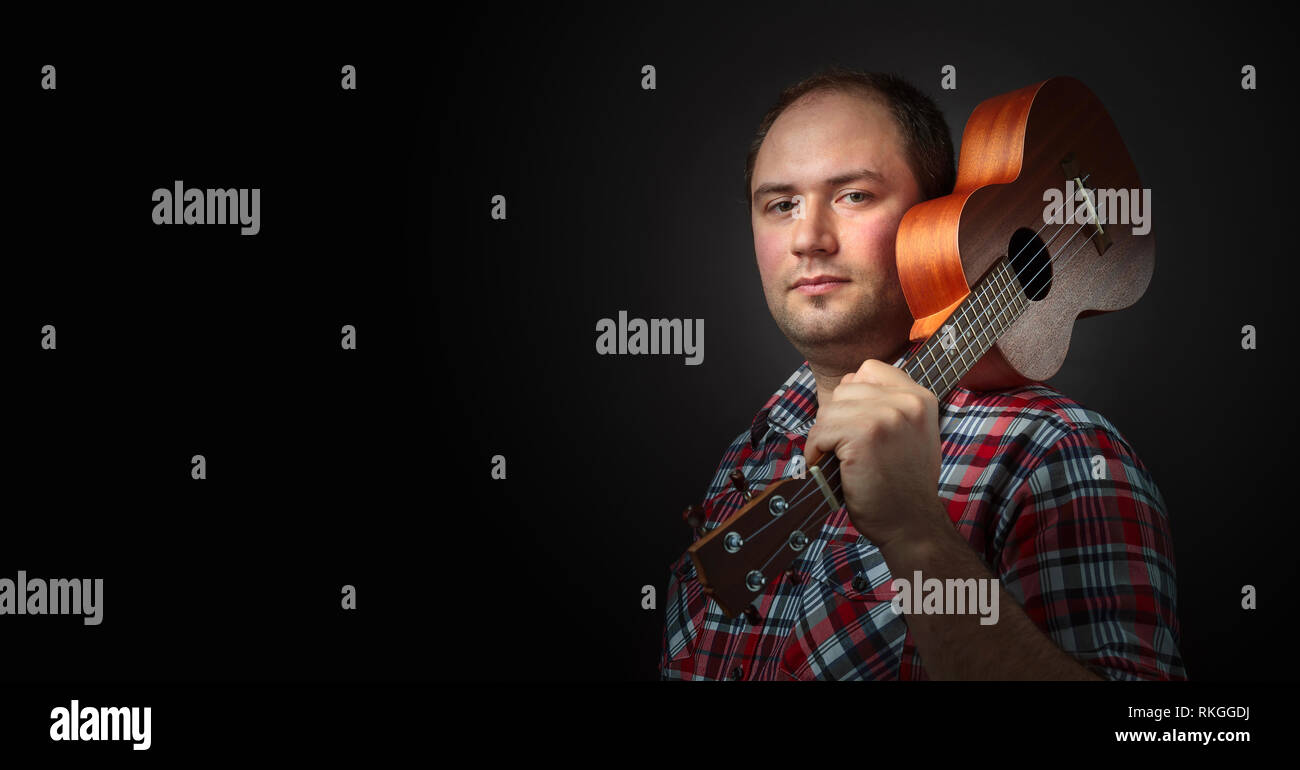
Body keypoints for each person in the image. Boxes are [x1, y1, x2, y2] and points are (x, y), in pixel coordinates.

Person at [659, 68, 1185, 681]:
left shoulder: (1054, 451)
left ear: (936, 213)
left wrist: (917, 534)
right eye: (781, 205)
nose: (808, 238)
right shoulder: (748, 456)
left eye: (854, 195)